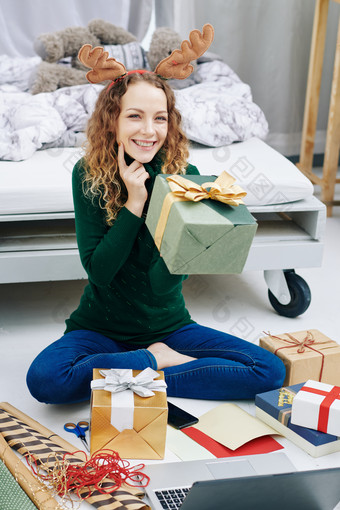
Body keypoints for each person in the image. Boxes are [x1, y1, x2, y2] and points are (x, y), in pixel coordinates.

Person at [26, 69, 285, 405]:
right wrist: (135, 205)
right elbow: (100, 273)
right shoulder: (88, 174)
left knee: (268, 371)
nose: (149, 130)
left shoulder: (185, 179)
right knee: (46, 381)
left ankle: (136, 374)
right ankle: (156, 363)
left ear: (169, 123)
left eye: (160, 118)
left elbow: (161, 286)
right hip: (99, 331)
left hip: (169, 329)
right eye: (135, 116)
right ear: (112, 121)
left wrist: (198, 242)